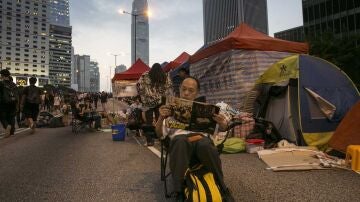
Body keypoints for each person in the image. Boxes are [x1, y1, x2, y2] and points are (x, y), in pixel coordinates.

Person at [155, 77, 233, 201]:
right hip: (180, 143)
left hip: (201, 141)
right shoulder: (170, 110)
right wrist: (160, 117)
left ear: (196, 93)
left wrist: (222, 123)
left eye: (191, 90)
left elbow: (222, 129)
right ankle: (179, 191)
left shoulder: (206, 110)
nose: (186, 93)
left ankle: (222, 188)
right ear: (179, 90)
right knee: (180, 140)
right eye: (184, 89)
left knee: (204, 143)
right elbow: (159, 134)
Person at [137, 63, 173, 146]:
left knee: (149, 122)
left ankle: (150, 141)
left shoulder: (145, 75)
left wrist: (142, 96)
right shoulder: (164, 76)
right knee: (159, 120)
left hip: (147, 102)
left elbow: (138, 86)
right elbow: (168, 88)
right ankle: (161, 139)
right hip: (160, 101)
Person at [0, 69, 18, 138]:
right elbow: (17, 95)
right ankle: (12, 131)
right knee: (11, 116)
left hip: (3, 103)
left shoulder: (1, 84)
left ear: (2, 75)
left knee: (2, 116)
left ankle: (7, 126)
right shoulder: (13, 84)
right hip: (13, 102)